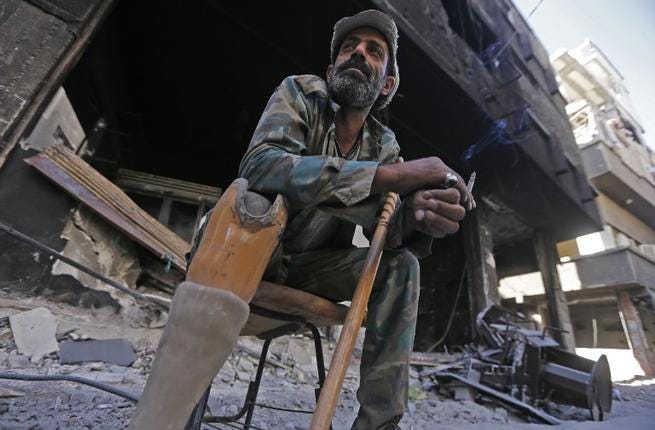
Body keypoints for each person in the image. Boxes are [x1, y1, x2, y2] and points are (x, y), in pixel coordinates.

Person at [237, 9, 475, 429]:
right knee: (255, 206)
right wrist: (391, 177)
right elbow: (260, 166)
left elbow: (385, 229)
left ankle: (378, 425)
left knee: (401, 266)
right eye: (350, 48)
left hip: (312, 269)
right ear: (332, 69)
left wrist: (415, 218)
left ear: (386, 84)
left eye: (373, 51)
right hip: (250, 253)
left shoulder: (384, 145)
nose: (358, 54)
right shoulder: (300, 93)